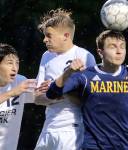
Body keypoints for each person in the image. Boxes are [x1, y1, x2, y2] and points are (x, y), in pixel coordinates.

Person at [46, 30, 128, 150]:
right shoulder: (85, 76)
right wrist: (68, 72)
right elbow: (51, 94)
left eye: (122, 47)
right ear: (100, 52)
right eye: (113, 47)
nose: (119, 51)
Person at [34, 8, 96, 150]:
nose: (45, 40)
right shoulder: (46, 56)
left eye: (49, 35)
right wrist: (56, 91)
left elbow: (90, 101)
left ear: (66, 35)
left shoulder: (84, 56)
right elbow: (37, 98)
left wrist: (57, 89)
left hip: (72, 129)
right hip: (48, 127)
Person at [0, 43, 37, 150]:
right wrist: (12, 93)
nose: (14, 68)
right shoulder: (17, 89)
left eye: (17, 63)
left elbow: (44, 98)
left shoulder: (20, 81)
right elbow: (14, 92)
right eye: (10, 63)